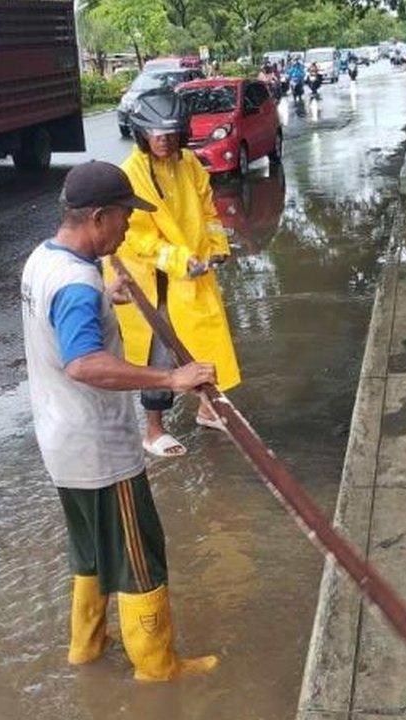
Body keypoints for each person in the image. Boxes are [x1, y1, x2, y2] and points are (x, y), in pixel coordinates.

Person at [20, 160, 220, 681]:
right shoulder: (77, 283)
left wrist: (105, 301)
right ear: (99, 217)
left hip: (60, 443)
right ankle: (158, 668)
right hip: (99, 450)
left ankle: (86, 647)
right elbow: (84, 362)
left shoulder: (44, 259)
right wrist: (170, 380)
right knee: (139, 556)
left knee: (90, 551)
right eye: (125, 217)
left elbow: (62, 319)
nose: (129, 227)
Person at [112, 88, 241, 458]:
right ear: (141, 134)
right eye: (157, 134)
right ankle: (154, 431)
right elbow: (140, 238)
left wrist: (217, 247)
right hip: (153, 281)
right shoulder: (132, 174)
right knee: (159, 356)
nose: (165, 141)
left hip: (192, 275)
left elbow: (208, 211)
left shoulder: (189, 164)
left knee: (206, 341)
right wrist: (182, 260)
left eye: (171, 133)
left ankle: (207, 408)